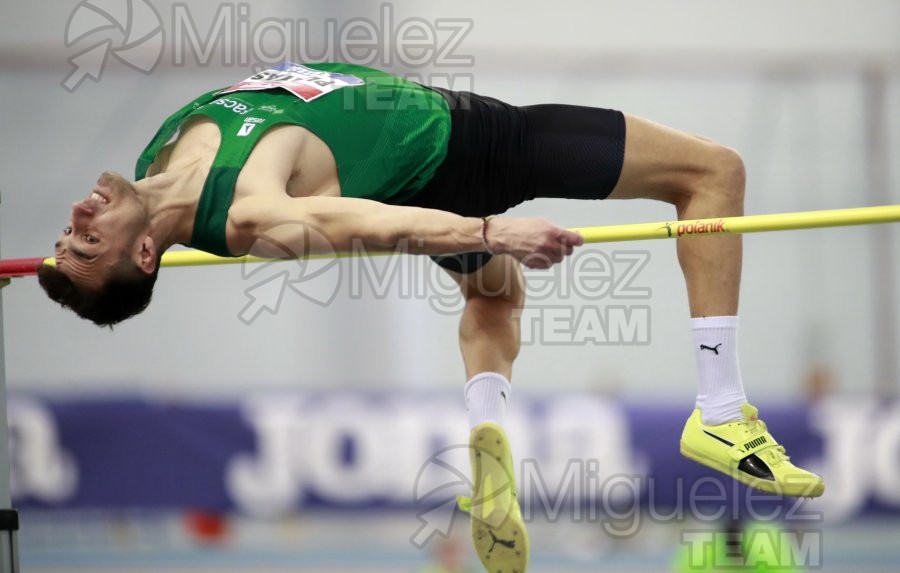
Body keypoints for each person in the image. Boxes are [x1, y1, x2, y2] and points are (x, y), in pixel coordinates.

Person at [39, 62, 824, 573]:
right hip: (472, 143)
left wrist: (50, 273)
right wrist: (488, 227)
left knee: (493, 294)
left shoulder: (159, 159)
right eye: (87, 236)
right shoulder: (251, 215)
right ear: (146, 254)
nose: (78, 212)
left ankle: (488, 434)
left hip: (429, 167)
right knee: (713, 171)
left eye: (66, 230)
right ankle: (720, 409)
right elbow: (370, 224)